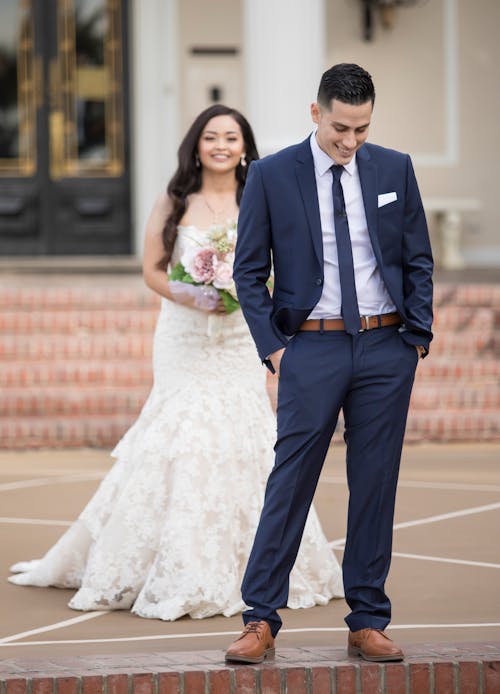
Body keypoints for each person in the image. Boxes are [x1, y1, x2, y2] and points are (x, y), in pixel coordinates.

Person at [8, 104, 343, 620]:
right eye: (211, 137)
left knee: (243, 434)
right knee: (180, 435)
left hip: (238, 338)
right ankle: (157, 561)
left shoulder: (263, 192)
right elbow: (150, 270)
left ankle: (257, 564)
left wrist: (257, 294)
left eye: (232, 137)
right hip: (184, 337)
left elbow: (285, 262)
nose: (222, 146)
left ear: (244, 146)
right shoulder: (175, 198)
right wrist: (192, 295)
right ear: (197, 144)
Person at [225, 64, 433, 663]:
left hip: (386, 347)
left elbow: (418, 257)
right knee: (290, 480)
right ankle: (260, 617)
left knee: (375, 484)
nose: (351, 141)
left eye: (362, 128)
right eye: (341, 127)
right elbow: (247, 271)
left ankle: (367, 617)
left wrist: (416, 338)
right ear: (316, 113)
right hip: (309, 347)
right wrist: (275, 348)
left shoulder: (395, 168)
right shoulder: (270, 175)